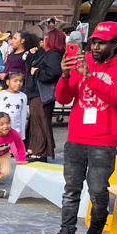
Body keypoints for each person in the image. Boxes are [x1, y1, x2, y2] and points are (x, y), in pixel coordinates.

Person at [49, 21, 117, 234]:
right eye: (94, 42)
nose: (96, 47)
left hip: (103, 139)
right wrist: (66, 76)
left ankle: (97, 224)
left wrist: (88, 76)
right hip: (77, 136)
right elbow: (63, 98)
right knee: (71, 189)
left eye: (102, 43)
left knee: (98, 190)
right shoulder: (82, 60)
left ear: (116, 44)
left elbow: (115, 97)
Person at [28, 28, 65, 162]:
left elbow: (53, 72)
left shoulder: (53, 55)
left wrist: (37, 72)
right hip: (37, 93)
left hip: (41, 94)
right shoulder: (50, 54)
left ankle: (40, 151)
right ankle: (36, 149)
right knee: (37, 122)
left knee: (40, 122)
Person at [0, 71, 28, 137]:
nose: (18, 83)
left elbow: (23, 116)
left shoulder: (23, 96)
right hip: (1, 133)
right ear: (8, 82)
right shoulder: (0, 94)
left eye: (20, 81)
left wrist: (22, 135)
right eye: (15, 81)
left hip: (16, 132)